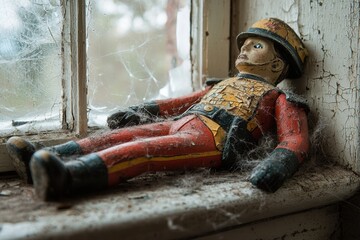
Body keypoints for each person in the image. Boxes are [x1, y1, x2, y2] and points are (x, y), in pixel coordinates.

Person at [6, 18, 309, 201]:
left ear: (277, 64)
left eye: (257, 46)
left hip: (213, 140)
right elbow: (179, 103)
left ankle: (70, 178)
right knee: (119, 136)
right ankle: (48, 157)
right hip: (183, 121)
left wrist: (278, 164)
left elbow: (294, 139)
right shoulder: (222, 83)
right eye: (246, 43)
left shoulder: (279, 98)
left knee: (145, 151)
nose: (244, 48)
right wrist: (141, 109)